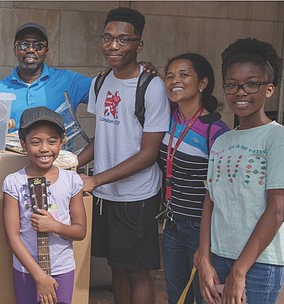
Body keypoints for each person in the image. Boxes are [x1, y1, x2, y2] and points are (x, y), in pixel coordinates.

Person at [77, 7, 170, 303]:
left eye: (123, 39)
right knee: (117, 264)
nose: (113, 45)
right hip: (107, 194)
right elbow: (102, 137)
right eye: (108, 38)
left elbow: (148, 153)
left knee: (139, 271)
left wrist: (95, 180)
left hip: (137, 196)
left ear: (138, 45)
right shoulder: (100, 82)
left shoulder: (152, 87)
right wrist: (70, 165)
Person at [195, 37, 284, 304]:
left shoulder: (279, 139)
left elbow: (276, 210)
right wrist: (204, 257)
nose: (241, 92)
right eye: (232, 85)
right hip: (219, 256)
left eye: (252, 84)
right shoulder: (222, 140)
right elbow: (210, 201)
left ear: (269, 89)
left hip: (260, 263)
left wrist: (240, 271)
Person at [0, 22, 158, 133]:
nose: (30, 50)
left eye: (38, 46)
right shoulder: (0, 89)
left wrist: (136, 69)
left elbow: (113, 86)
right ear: (15, 49)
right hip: (15, 171)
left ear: (46, 51)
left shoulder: (68, 80)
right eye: (23, 45)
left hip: (60, 169)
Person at [158, 53, 229, 304]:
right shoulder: (169, 119)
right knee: (177, 296)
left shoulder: (215, 131)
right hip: (172, 225)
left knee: (203, 295)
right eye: (169, 76)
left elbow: (219, 193)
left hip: (200, 228)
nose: (174, 80)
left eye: (183, 74)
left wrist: (205, 245)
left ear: (202, 84)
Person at [2, 106, 87, 304]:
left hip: (62, 268)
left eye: (52, 141)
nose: (44, 149)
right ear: (23, 143)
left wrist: (54, 226)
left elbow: (81, 230)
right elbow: (12, 236)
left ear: (62, 143)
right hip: (27, 269)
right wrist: (39, 276)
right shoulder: (14, 182)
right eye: (35, 142)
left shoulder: (72, 180)